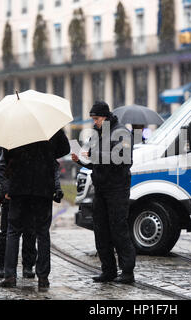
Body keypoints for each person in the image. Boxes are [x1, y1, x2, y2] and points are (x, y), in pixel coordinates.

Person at [72, 101, 136, 284]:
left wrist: (96, 157)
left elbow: (124, 160)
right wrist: (80, 160)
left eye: (96, 119)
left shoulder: (121, 132)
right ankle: (108, 270)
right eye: (92, 119)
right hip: (100, 189)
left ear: (105, 117)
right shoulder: (98, 134)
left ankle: (127, 272)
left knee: (119, 230)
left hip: (117, 188)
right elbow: (95, 163)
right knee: (101, 231)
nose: (94, 123)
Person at [0, 129, 70, 289]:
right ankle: (43, 278)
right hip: (43, 187)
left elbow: (6, 156)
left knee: (13, 231)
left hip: (19, 187)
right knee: (43, 232)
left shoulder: (16, 127)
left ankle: (10, 276)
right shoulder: (50, 127)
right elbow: (65, 149)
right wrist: (48, 152)